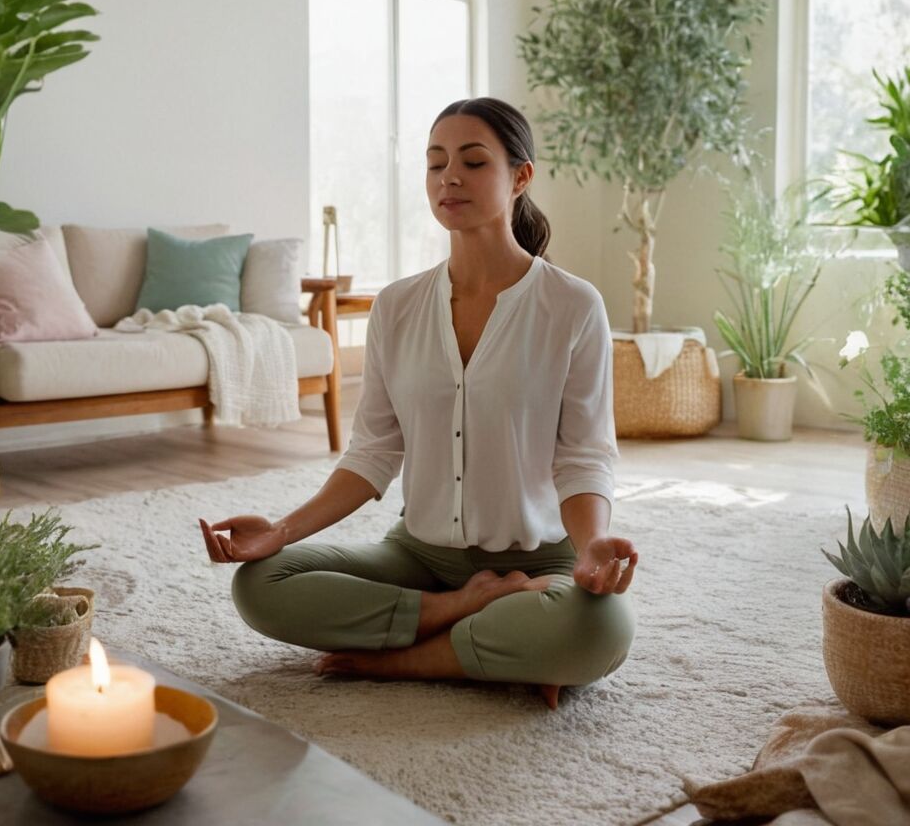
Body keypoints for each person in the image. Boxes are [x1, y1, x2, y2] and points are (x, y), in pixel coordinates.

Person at [199, 96, 637, 710]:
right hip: (418, 556)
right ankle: (468, 619)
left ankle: (409, 658)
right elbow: (375, 452)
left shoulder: (572, 305)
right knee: (261, 583)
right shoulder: (398, 307)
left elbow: (585, 455)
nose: (448, 177)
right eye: (435, 164)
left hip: (540, 562)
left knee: (602, 629)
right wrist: (280, 529)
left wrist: (591, 544)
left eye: (472, 161)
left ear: (521, 176)